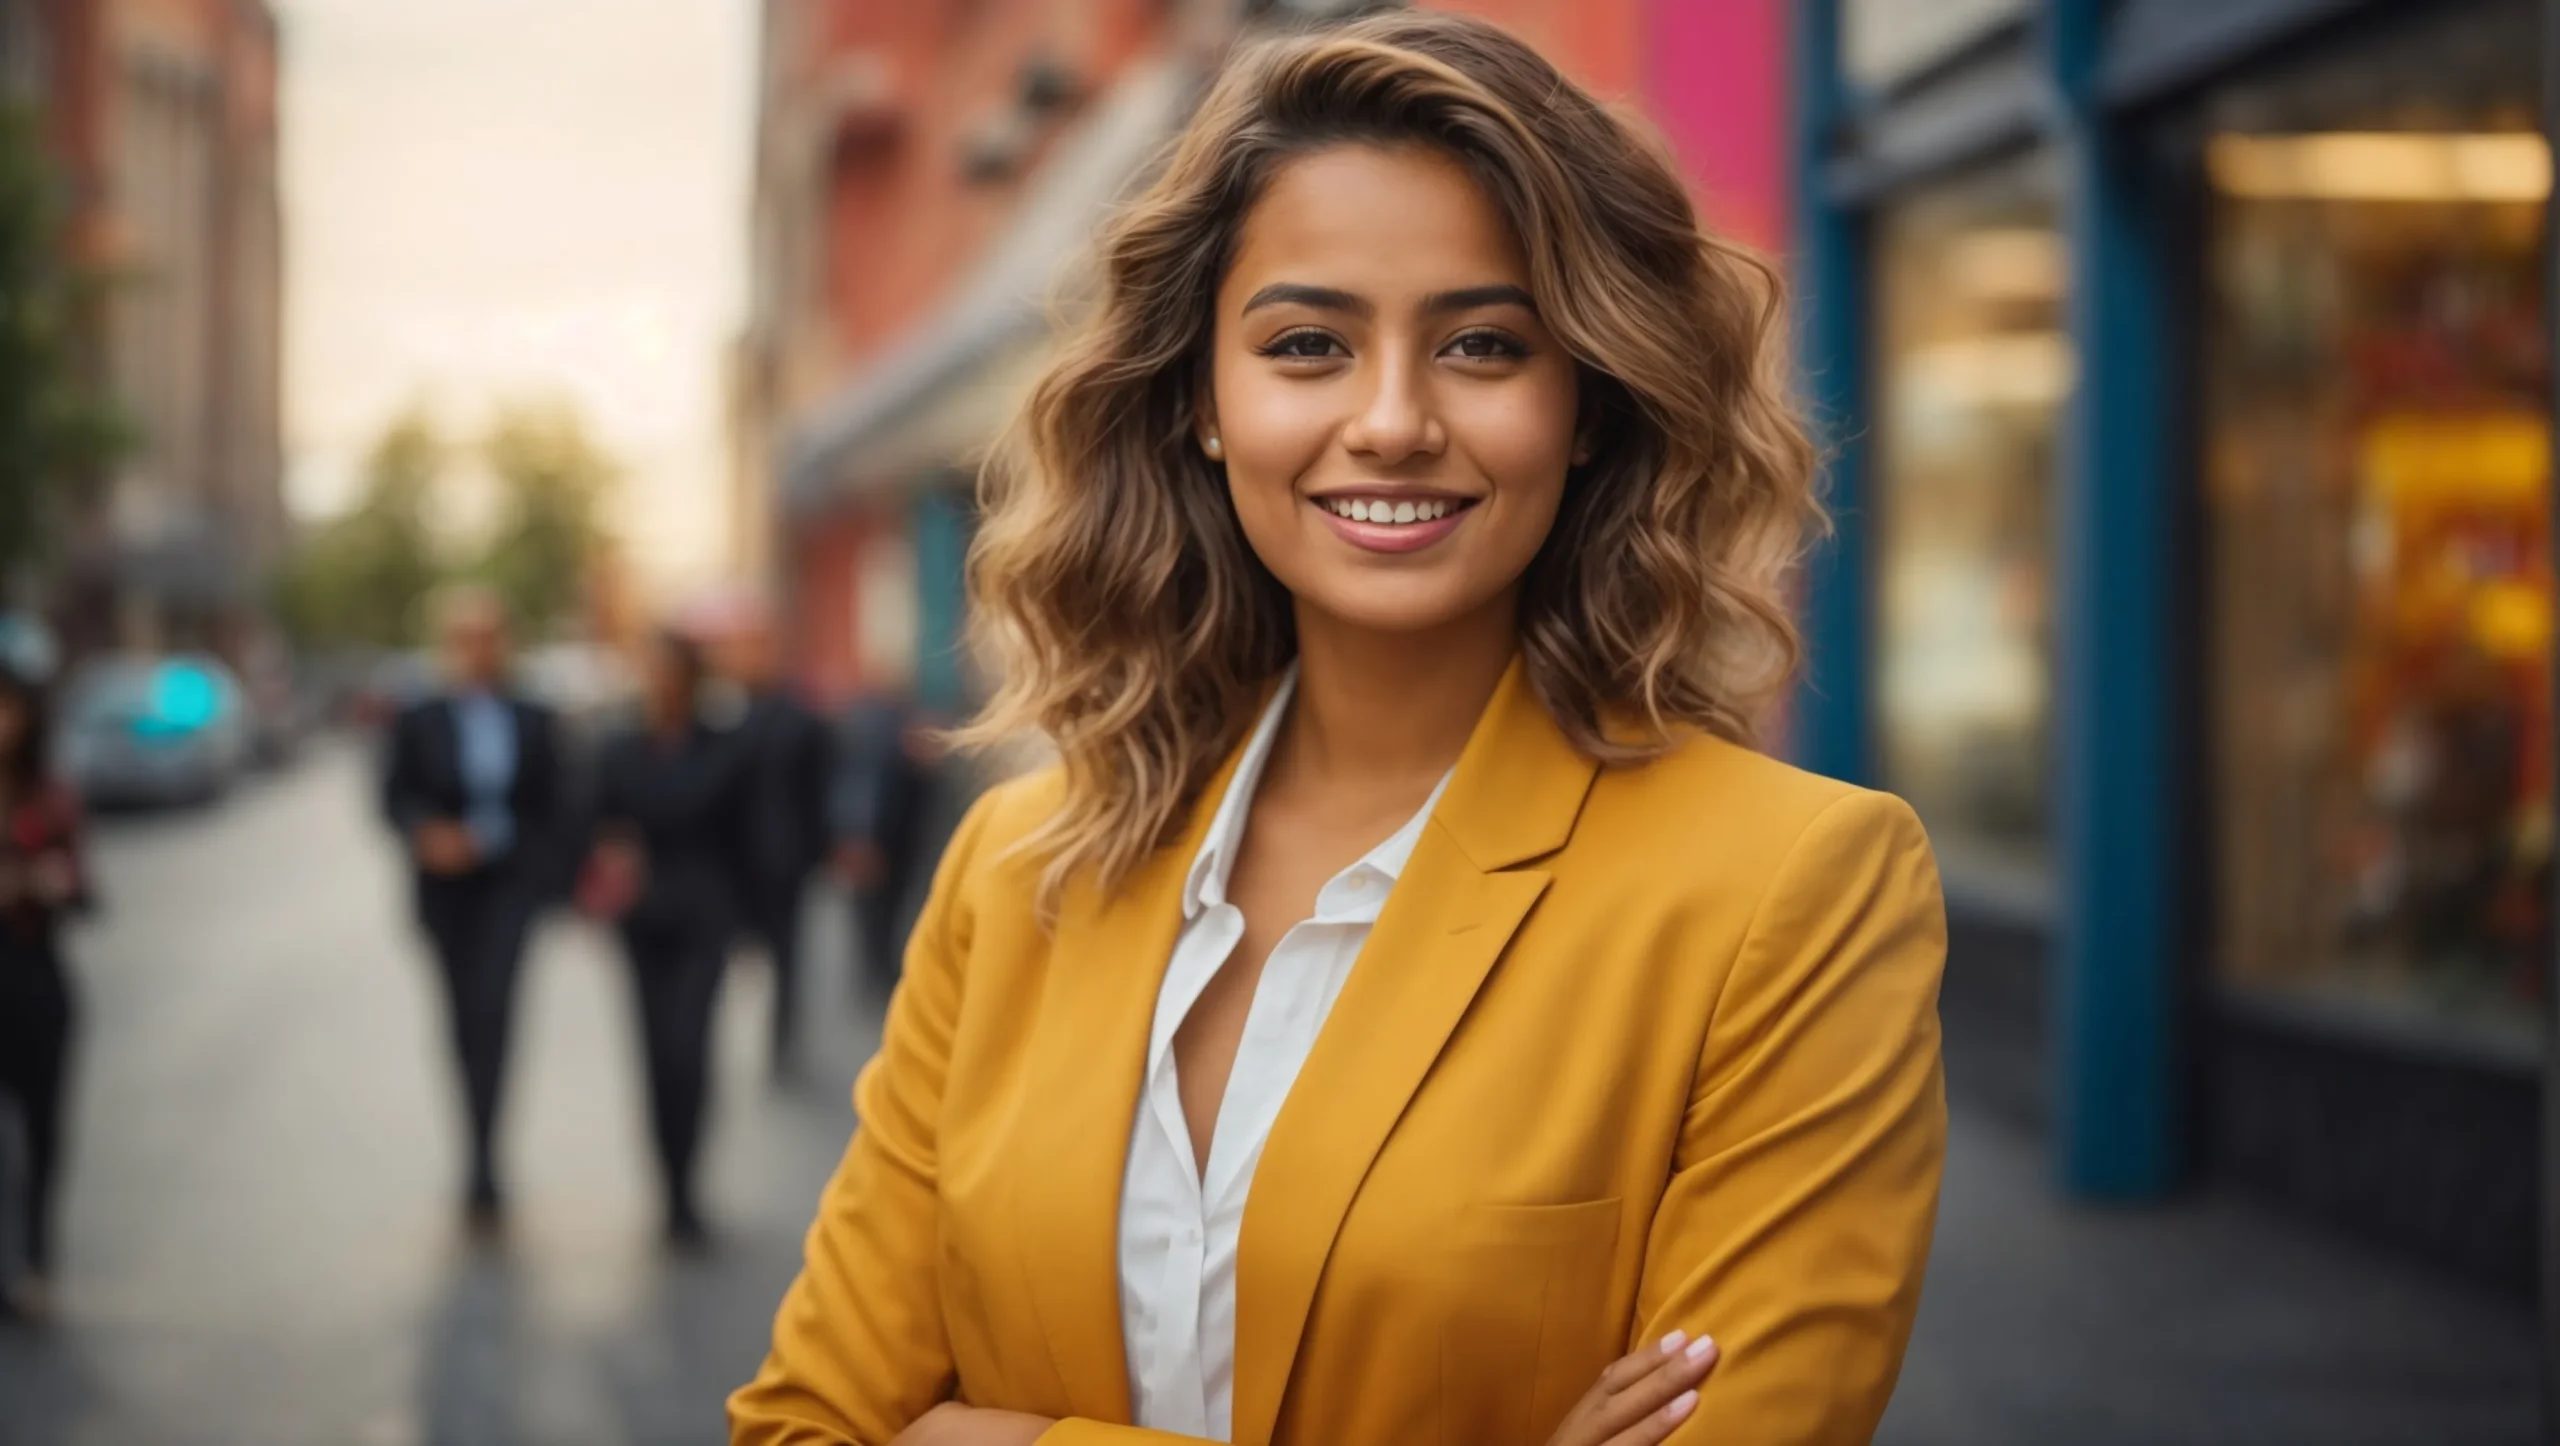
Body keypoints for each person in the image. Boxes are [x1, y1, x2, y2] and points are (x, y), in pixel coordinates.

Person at [733, 15, 1946, 1446]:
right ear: (1203, 398)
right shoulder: (1018, 871)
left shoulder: (1792, 890)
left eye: (1484, 345)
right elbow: (804, 1428)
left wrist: (980, 1435)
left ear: (1587, 407)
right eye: (1307, 343)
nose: (1390, 420)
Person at [382, 587, 564, 1234]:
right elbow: (392, 798)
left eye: (489, 636)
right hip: (448, 894)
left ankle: (490, 1154)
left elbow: (557, 806)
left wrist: (533, 864)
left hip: (509, 888)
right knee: (462, 1022)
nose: (478, 650)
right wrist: (428, 835)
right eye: (466, 638)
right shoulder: (421, 716)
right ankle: (474, 1143)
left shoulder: (533, 716)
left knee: (498, 1011)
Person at [583, 628, 756, 1248]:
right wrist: (609, 850)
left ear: (691, 680)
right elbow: (592, 821)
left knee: (690, 1051)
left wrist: (752, 923)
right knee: (654, 1056)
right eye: (651, 672)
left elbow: (747, 835)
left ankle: (690, 1182)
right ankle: (670, 1188)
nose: (660, 684)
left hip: (705, 922)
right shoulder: (617, 747)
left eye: (671, 672)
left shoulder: (727, 746)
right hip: (642, 923)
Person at [703, 602, 835, 1072]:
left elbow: (819, 789)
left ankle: (781, 1042)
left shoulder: (800, 718)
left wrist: (819, 850)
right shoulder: (721, 714)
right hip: (731, 860)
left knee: (786, 954)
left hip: (784, 857)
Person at [0, 664, 89, 1322]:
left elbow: (87, 890)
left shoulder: (50, 795)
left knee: (43, 1132)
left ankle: (37, 1260)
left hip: (34, 973)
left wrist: (54, 883)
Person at [828, 679, 927, 993]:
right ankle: (878, 976)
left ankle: (875, 976)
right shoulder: (881, 730)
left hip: (882, 839)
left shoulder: (869, 726)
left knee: (873, 914)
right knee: (876, 913)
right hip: (880, 840)